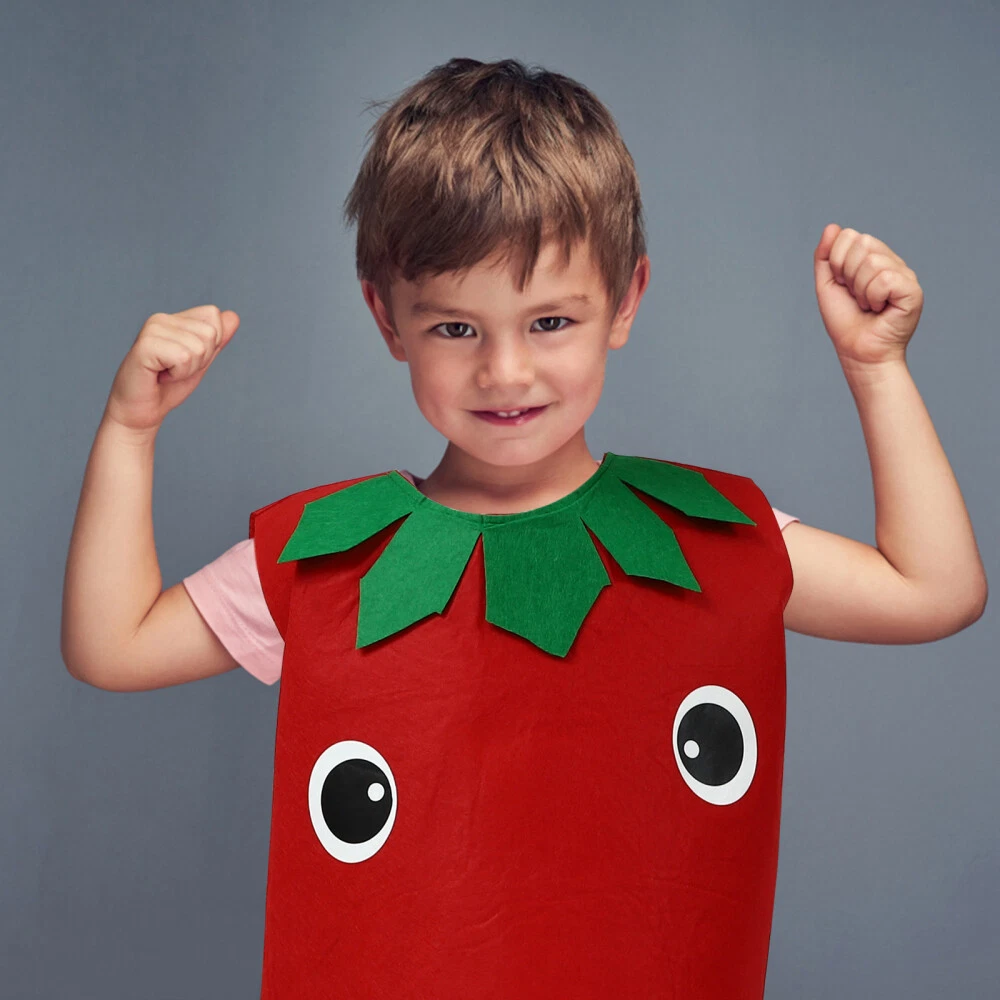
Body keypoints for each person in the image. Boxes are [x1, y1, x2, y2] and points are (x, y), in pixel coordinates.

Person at [61, 57, 987, 999]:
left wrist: (877, 370)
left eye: (549, 321)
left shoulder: (710, 535)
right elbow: (112, 644)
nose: (506, 374)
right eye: (457, 330)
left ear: (625, 301)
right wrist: (129, 432)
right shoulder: (327, 553)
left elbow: (936, 590)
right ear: (386, 317)